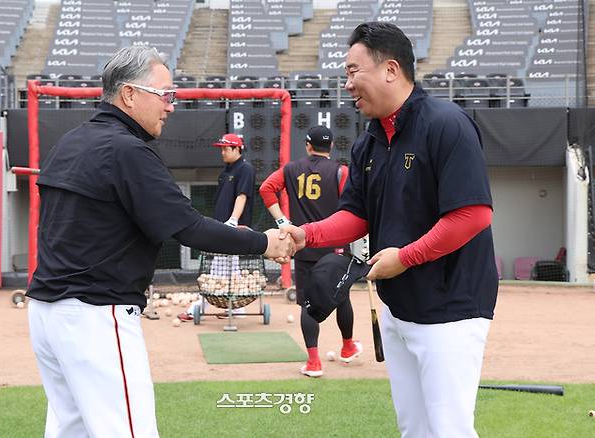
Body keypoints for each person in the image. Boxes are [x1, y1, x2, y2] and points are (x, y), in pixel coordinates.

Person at [26, 46, 293, 438]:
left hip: (47, 315)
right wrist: (263, 243)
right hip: (96, 315)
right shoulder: (127, 150)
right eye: (165, 94)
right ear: (129, 94)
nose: (171, 106)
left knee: (72, 430)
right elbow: (189, 228)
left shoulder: (70, 142)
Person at [280, 22, 498, 437]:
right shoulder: (370, 141)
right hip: (398, 307)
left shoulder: (446, 124)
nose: (347, 84)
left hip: (451, 309)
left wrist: (406, 257)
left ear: (391, 70)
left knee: (448, 430)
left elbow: (473, 215)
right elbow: (357, 215)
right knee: (413, 429)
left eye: (352, 71)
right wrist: (306, 235)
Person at [259, 125, 362, 377]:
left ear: (307, 145)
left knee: (307, 304)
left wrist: (283, 222)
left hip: (302, 244)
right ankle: (347, 347)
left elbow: (266, 189)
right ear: (331, 146)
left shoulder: (291, 169)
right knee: (343, 297)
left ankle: (314, 362)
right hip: (335, 245)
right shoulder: (341, 171)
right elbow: (353, 207)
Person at [178, 133, 255, 321]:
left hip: (231, 227)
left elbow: (242, 195)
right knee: (229, 270)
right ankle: (236, 309)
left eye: (225, 148)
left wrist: (233, 220)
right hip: (222, 225)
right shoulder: (227, 170)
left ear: (237, 149)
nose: (222, 152)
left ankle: (199, 308)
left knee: (216, 271)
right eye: (221, 148)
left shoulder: (245, 168)